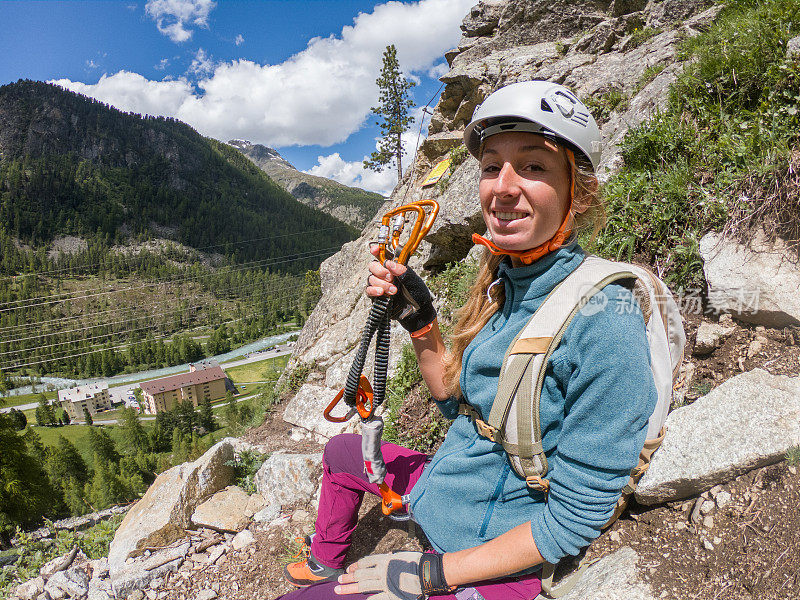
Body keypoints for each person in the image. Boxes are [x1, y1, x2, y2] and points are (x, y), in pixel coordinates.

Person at [278, 80, 656, 600]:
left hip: (495, 552)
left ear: (579, 192)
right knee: (345, 450)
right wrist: (420, 322)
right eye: (490, 167)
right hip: (453, 487)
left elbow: (571, 521)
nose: (502, 186)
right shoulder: (507, 285)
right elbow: (461, 408)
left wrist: (432, 573)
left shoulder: (603, 321)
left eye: (533, 166)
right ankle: (325, 560)